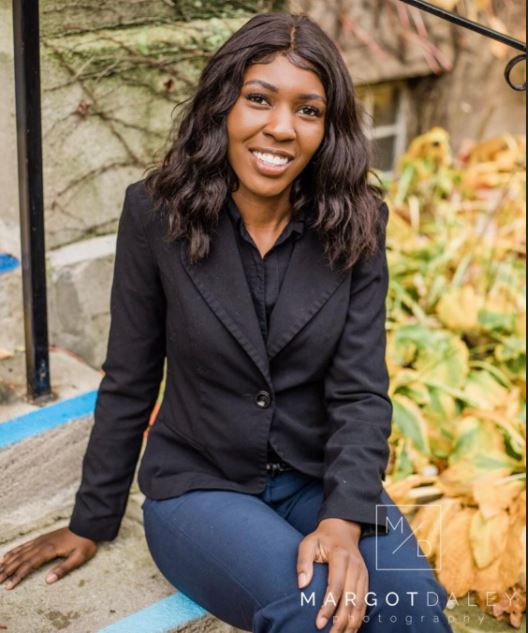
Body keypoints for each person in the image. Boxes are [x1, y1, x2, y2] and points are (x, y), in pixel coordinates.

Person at [0, 12, 454, 633]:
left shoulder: (358, 223)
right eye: (259, 99)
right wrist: (91, 519)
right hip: (199, 486)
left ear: (329, 127)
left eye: (308, 110)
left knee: (416, 608)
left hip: (318, 477)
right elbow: (131, 376)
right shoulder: (155, 212)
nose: (280, 128)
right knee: (315, 609)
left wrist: (343, 518)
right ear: (223, 106)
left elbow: (360, 390)